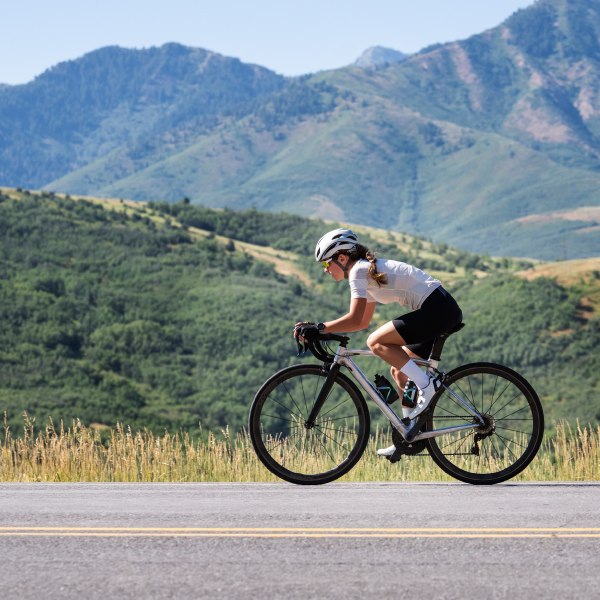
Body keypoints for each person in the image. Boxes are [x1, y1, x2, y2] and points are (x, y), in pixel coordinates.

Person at [295, 228, 462, 458]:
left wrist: (319, 327)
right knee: (399, 371)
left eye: (326, 265)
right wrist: (320, 328)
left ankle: (427, 386)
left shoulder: (358, 271)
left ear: (341, 258)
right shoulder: (366, 272)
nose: (325, 271)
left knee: (376, 342)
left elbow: (354, 319)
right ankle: (408, 432)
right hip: (440, 310)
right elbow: (361, 321)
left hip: (438, 310)